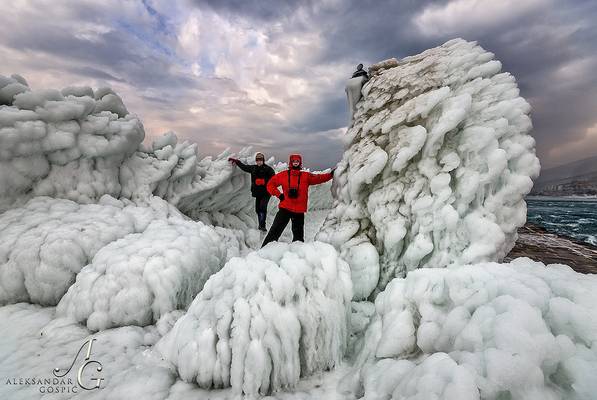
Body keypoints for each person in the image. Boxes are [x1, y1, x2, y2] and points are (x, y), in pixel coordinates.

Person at [261, 154, 335, 247]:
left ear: (300, 163)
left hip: (299, 211)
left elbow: (319, 178)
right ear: (291, 163)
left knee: (298, 237)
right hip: (285, 208)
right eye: (294, 161)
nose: (295, 163)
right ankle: (264, 250)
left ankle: (298, 254)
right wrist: (279, 195)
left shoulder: (305, 176)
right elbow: (270, 184)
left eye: (297, 161)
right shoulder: (283, 175)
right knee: (275, 230)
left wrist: (331, 174)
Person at [228, 152, 275, 231]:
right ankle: (261, 224)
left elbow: (274, 179)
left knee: (262, 208)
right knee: (257, 210)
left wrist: (263, 181)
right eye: (257, 160)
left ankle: (262, 226)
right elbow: (244, 167)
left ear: (263, 160)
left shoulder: (268, 169)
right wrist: (237, 162)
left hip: (266, 192)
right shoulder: (253, 168)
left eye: (260, 160)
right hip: (258, 193)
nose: (259, 161)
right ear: (256, 161)